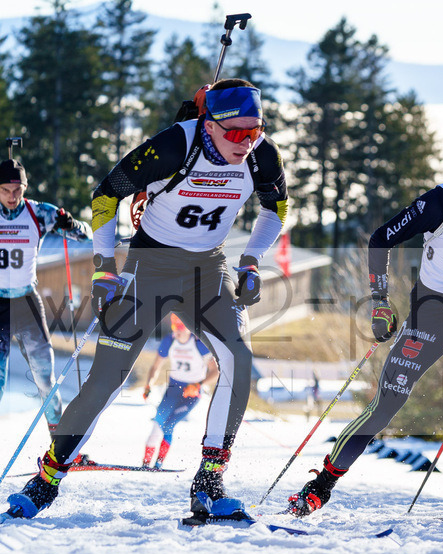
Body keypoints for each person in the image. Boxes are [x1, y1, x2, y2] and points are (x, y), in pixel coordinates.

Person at [6, 78, 289, 520]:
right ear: (209, 125)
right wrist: (102, 265)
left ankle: (210, 483)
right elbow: (106, 194)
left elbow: (277, 208)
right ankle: (48, 478)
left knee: (238, 358)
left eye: (256, 131)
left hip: (208, 270)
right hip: (148, 268)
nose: (247, 143)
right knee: (108, 376)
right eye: (236, 133)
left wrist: (251, 261)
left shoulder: (262, 155)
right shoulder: (175, 146)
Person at [287, 134, 443, 522]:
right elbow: (380, 239)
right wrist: (380, 301)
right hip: (430, 312)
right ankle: (321, 485)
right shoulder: (441, 201)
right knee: (387, 402)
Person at [0, 158, 92, 431]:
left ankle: (59, 447)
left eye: (18, 190)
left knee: (45, 379)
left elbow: (85, 236)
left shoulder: (40, 212)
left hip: (27, 302)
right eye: (5, 189)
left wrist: (70, 223)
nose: (12, 196)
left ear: (26, 187)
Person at [141, 313, 220, 469]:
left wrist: (199, 384)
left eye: (180, 327)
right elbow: (156, 366)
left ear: (188, 328)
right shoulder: (169, 341)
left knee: (169, 425)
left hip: (191, 393)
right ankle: (145, 464)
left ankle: (158, 463)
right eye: (174, 327)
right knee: (158, 422)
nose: (176, 331)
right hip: (173, 389)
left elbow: (216, 372)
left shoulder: (200, 345)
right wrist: (149, 384)